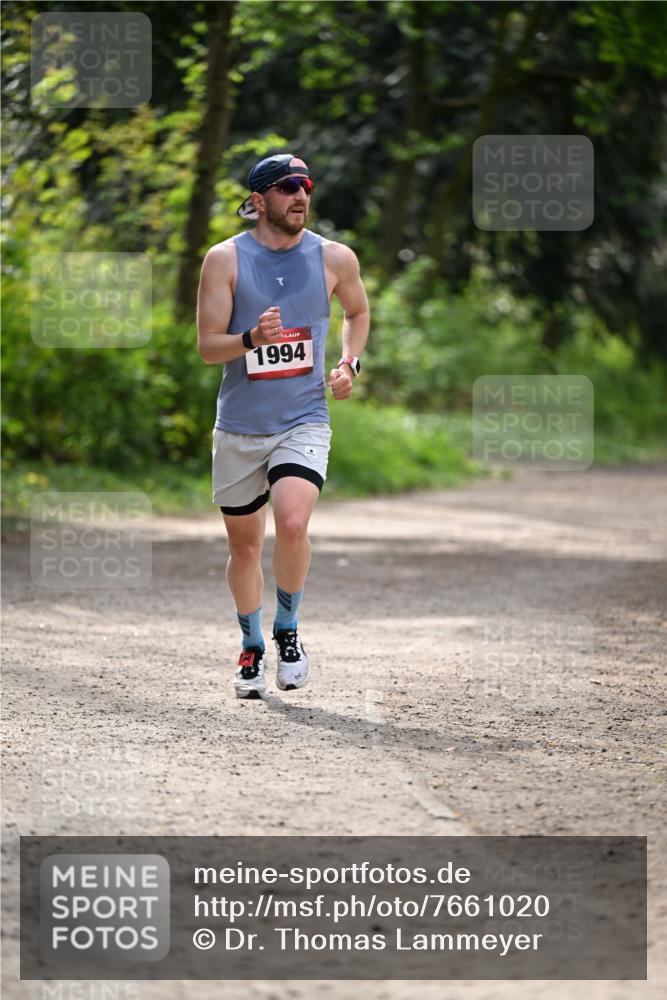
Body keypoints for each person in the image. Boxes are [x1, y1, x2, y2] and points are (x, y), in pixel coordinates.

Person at [197, 153, 370, 699]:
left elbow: (357, 313)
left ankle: (288, 630)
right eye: (288, 186)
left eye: (307, 186)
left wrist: (348, 364)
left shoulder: (334, 257)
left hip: (303, 417)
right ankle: (251, 643)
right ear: (258, 201)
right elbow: (207, 347)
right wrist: (251, 340)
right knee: (245, 547)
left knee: (293, 524)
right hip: (240, 426)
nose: (300, 195)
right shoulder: (224, 260)